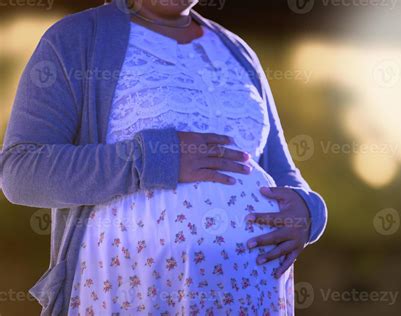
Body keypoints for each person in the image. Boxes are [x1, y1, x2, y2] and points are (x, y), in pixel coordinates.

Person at [0, 0, 327, 314]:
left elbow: (282, 172)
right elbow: (20, 171)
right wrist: (152, 159)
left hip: (249, 297)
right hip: (134, 291)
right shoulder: (77, 39)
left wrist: (309, 213)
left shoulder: (238, 53)